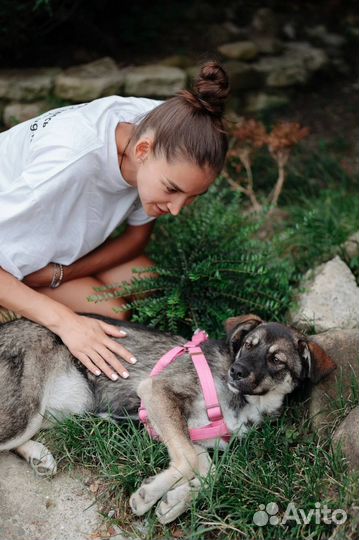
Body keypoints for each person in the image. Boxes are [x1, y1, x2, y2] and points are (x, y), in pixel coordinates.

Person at [0, 61, 229, 381]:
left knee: (143, 278)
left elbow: (136, 240)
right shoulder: (66, 165)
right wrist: (66, 323)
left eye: (191, 197)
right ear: (143, 150)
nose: (177, 209)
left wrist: (59, 274)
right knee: (112, 316)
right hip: (10, 241)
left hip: (49, 250)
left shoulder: (174, 125)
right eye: (172, 190)